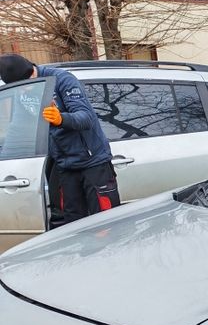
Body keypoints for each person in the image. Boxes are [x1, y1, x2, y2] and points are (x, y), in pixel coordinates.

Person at [0, 54, 119, 225]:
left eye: (25, 85)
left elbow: (86, 117)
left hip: (92, 162)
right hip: (64, 165)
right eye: (20, 87)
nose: (24, 90)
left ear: (31, 73)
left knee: (106, 223)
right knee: (73, 225)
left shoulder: (61, 79)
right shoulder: (22, 91)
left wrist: (61, 119)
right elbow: (18, 127)